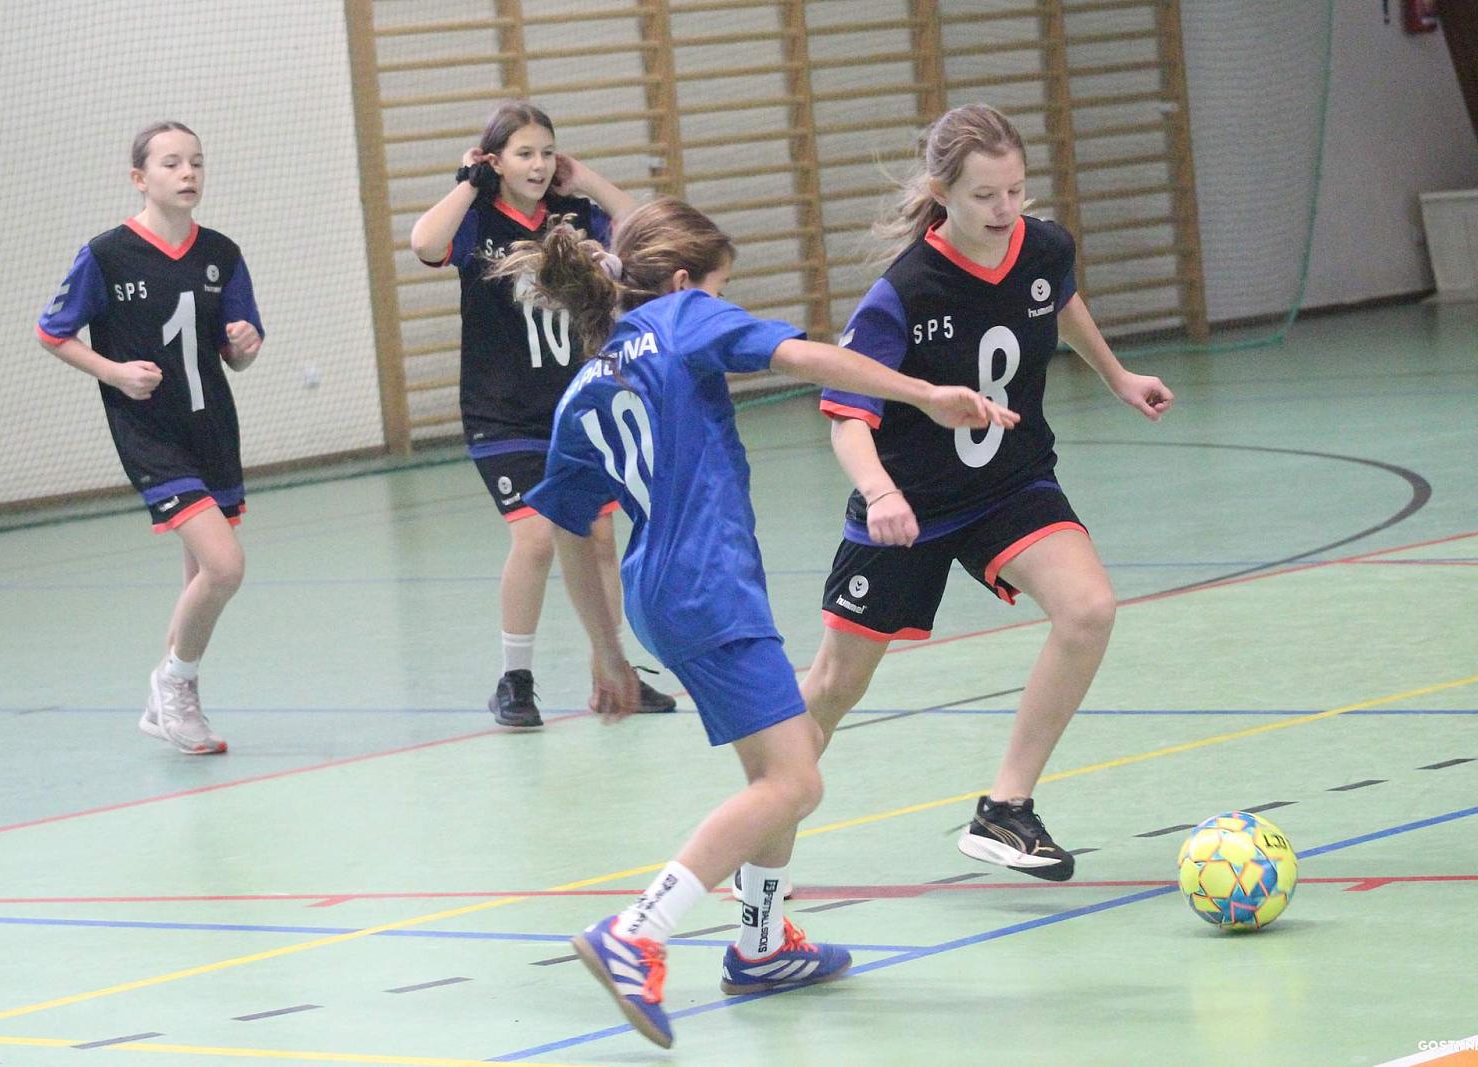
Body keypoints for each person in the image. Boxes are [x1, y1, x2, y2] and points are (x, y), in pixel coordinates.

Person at [493, 197, 1016, 1048]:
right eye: (720, 288)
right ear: (685, 281)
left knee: (783, 759)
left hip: (658, 592)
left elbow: (574, 530)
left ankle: (762, 944)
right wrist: (924, 393)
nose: (722, 304)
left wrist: (608, 651)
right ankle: (637, 930)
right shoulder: (682, 318)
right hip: (708, 586)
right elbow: (806, 356)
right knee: (795, 782)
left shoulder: (586, 386)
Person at [789, 103, 1176, 885]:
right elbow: (847, 417)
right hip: (909, 503)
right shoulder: (905, 292)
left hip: (1009, 481)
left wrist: (1117, 375)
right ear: (942, 193)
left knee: (1088, 609)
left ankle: (1005, 808)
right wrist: (880, 492)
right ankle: (760, 825)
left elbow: (1057, 299)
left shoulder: (1043, 246)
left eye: (1015, 191)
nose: (1005, 210)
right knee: (834, 686)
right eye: (984, 196)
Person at [408, 99, 674, 727]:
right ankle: (514, 680)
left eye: (547, 152)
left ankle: (613, 668)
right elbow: (423, 242)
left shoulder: (573, 217)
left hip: (576, 409)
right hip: (503, 416)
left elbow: (644, 232)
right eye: (523, 153)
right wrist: (469, 183)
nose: (538, 164)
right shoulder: (476, 221)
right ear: (495, 160)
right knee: (535, 539)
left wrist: (588, 180)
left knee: (600, 541)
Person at [36, 121, 265, 755]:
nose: (187, 172)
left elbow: (237, 352)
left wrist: (245, 346)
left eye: (196, 161)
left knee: (200, 579)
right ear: (140, 178)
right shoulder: (107, 255)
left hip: (211, 431)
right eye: (171, 163)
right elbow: (53, 333)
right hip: (150, 436)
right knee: (225, 566)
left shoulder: (222, 254)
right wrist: (113, 372)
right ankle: (174, 685)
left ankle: (168, 700)